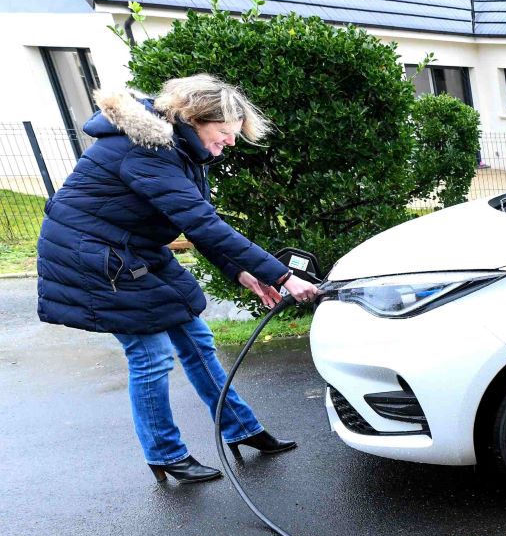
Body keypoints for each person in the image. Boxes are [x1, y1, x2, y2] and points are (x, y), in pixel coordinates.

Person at [36, 74, 322, 485]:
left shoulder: (179, 148)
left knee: (195, 338)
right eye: (224, 132)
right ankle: (165, 453)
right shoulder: (146, 150)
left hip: (133, 250)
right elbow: (200, 221)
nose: (231, 142)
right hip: (92, 260)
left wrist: (241, 272)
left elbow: (193, 220)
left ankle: (241, 428)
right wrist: (281, 275)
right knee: (150, 356)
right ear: (194, 118)